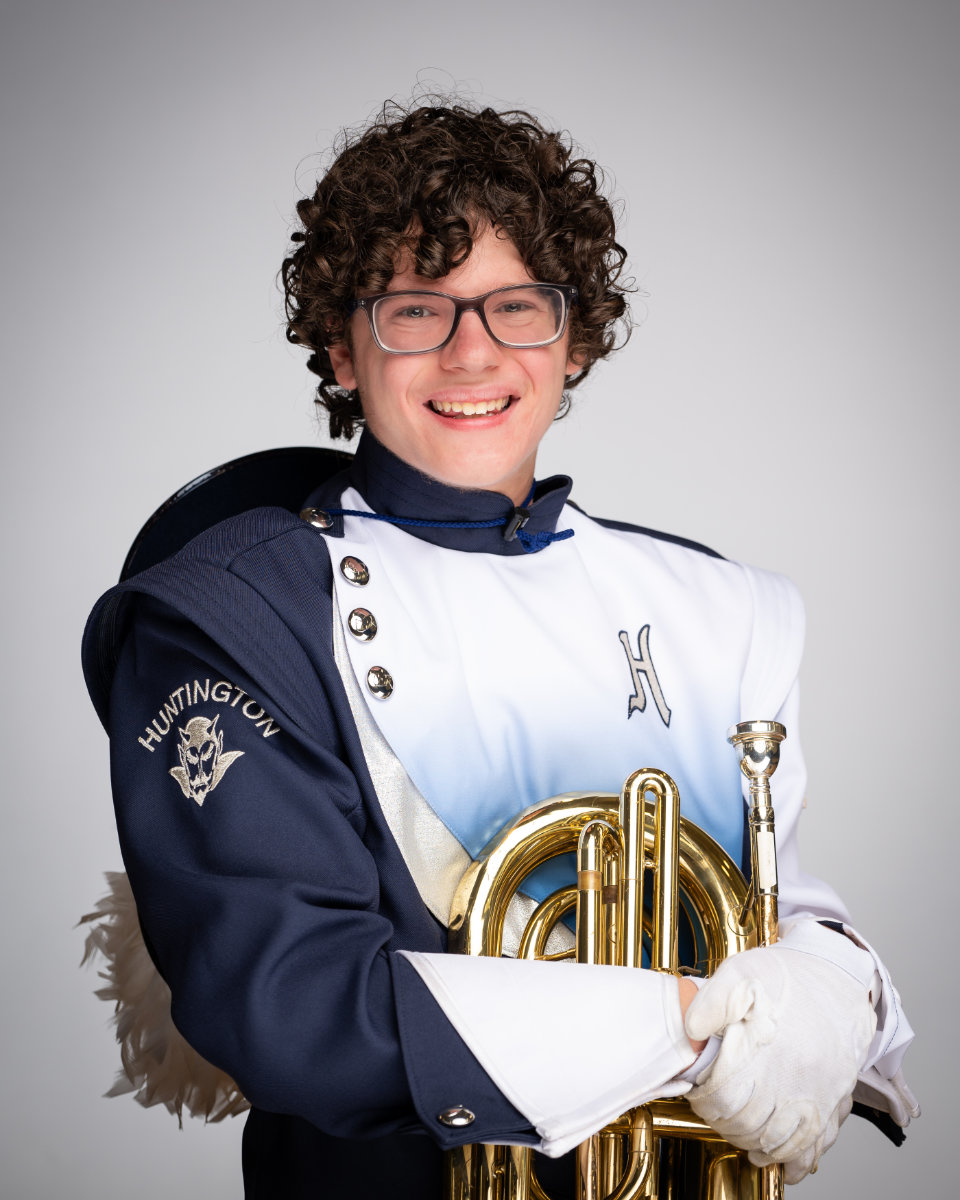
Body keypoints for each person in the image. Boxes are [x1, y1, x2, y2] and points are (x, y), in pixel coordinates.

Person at [82, 102, 918, 1198]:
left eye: (516, 306)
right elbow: (295, 1000)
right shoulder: (231, 610)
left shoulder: (718, 602)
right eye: (416, 308)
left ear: (572, 342)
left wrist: (836, 986)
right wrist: (702, 1026)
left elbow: (777, 900)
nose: (473, 351)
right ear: (342, 346)